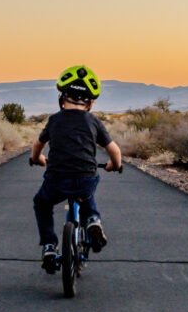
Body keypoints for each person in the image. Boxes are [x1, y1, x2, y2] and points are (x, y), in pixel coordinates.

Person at [30, 65, 123, 274]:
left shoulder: (54, 120)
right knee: (86, 193)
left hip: (56, 179)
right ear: (90, 102)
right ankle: (92, 222)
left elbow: (37, 146)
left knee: (42, 203)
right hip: (85, 177)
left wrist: (37, 159)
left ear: (62, 98)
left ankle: (49, 247)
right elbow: (114, 151)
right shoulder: (94, 121)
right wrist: (115, 165)